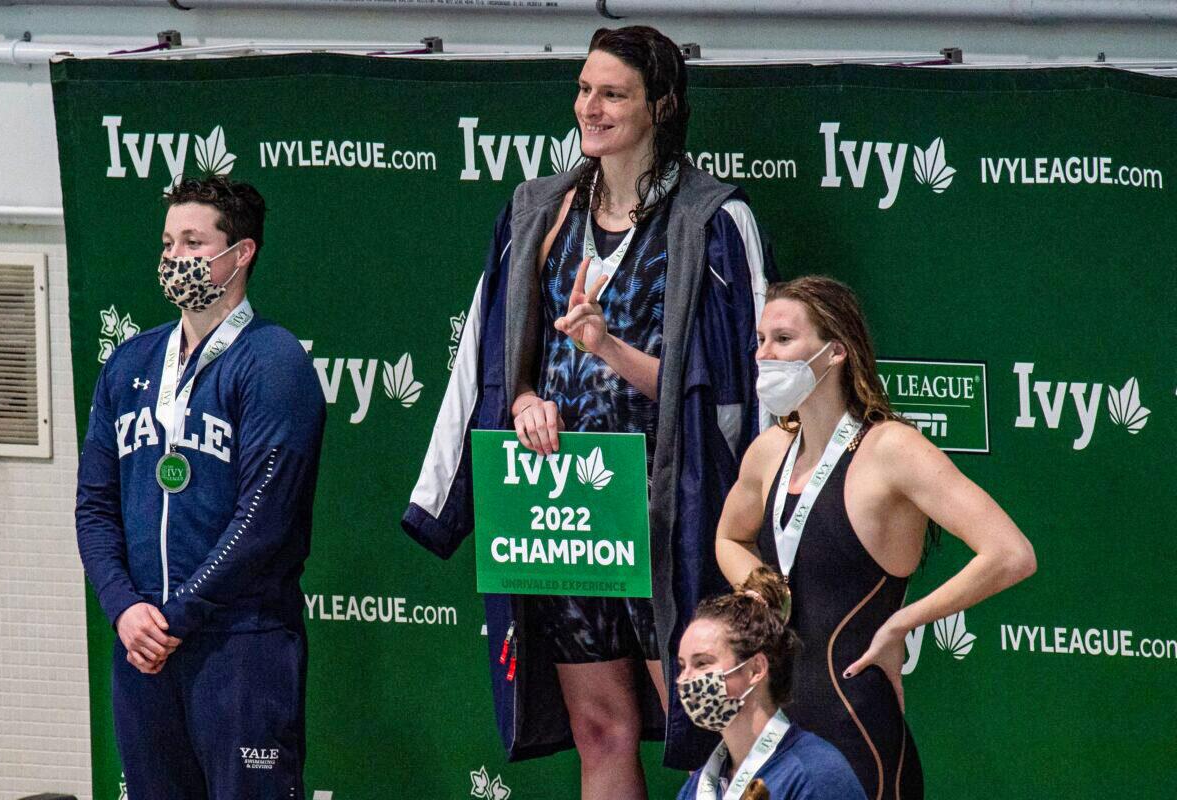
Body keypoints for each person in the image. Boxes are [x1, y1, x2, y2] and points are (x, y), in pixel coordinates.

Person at [403, 25, 772, 797]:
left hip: (670, 513)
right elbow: (496, 358)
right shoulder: (541, 211)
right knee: (597, 730)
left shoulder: (711, 221)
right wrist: (530, 401)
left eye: (613, 93)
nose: (590, 108)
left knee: (705, 725)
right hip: (565, 515)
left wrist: (608, 349)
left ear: (661, 104)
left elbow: (741, 380)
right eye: (582, 89)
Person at [715, 276, 1037, 799]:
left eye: (783, 339)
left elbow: (1012, 553)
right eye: (761, 339)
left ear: (835, 351)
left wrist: (902, 624)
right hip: (774, 723)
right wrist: (761, 586)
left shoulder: (893, 449)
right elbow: (729, 537)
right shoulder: (770, 449)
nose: (763, 354)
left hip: (855, 726)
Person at [75, 175, 326, 800]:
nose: (174, 258)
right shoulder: (128, 362)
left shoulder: (273, 361)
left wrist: (175, 616)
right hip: (140, 649)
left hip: (240, 645)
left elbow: (264, 519)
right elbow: (94, 505)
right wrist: (124, 609)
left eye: (192, 242)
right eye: (167, 242)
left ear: (240, 253)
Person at [675, 566, 866, 800]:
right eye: (683, 666)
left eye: (702, 663)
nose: (685, 679)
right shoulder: (698, 788)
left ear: (756, 669)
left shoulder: (817, 775)